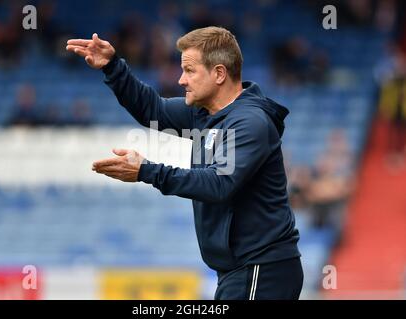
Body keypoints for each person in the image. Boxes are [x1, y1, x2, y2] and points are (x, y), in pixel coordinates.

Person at [66, 27, 303, 300]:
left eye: (189, 71)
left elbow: (220, 183)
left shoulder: (249, 122)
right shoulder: (203, 115)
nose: (181, 80)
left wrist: (147, 171)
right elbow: (152, 109)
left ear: (219, 73)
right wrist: (113, 67)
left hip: (263, 269)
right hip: (240, 270)